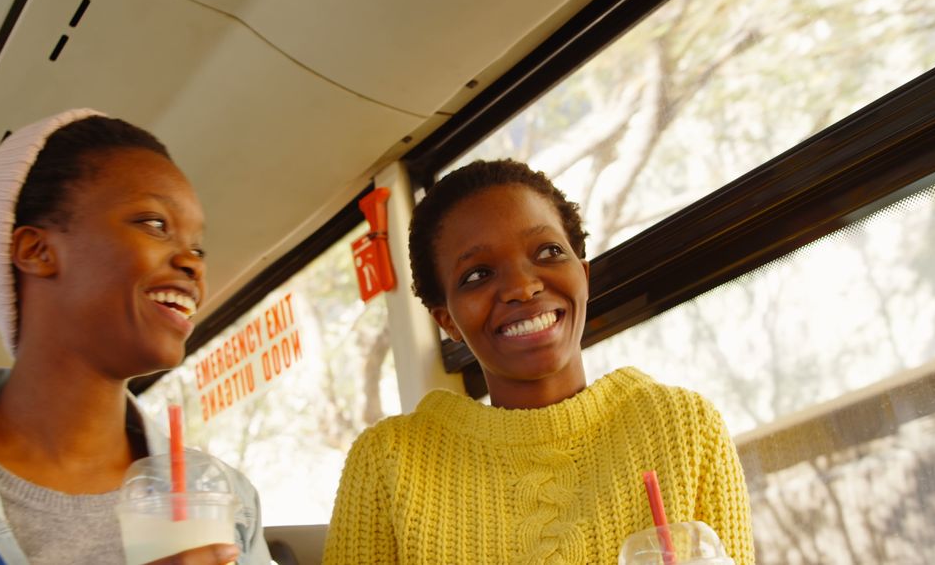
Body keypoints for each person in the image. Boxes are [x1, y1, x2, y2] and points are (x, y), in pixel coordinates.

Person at [323, 159, 754, 564]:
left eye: (548, 252)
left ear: (582, 275)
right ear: (446, 320)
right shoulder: (388, 464)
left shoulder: (684, 427)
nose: (522, 287)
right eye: (477, 275)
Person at [0, 109, 270, 565]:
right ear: (37, 250)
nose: (193, 262)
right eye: (154, 224)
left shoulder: (228, 499)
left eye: (198, 246)